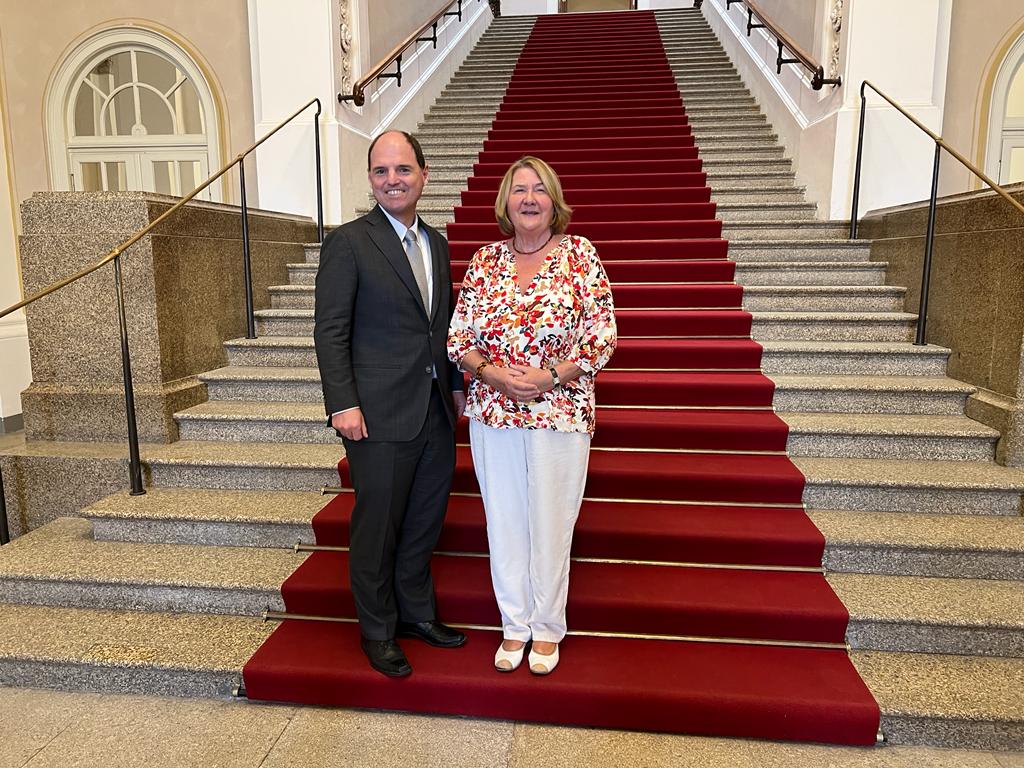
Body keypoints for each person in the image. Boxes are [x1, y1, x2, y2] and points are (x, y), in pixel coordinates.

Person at [447, 156, 616, 675]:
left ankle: (547, 628)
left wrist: (552, 375)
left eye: (539, 190)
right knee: (504, 520)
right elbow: (458, 338)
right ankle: (513, 624)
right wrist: (492, 374)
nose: (528, 198)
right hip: (493, 411)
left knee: (551, 520)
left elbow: (602, 335)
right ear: (505, 201)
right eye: (519, 189)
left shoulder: (580, 255)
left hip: (559, 411)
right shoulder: (484, 260)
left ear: (554, 201)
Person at [314, 130, 467, 678]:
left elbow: (444, 327)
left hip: (433, 409)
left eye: (403, 170)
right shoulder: (349, 243)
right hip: (374, 414)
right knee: (377, 525)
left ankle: (416, 615)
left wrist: (453, 386)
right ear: (371, 180)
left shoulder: (439, 244)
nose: (392, 180)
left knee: (424, 519)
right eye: (381, 171)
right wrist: (343, 404)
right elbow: (330, 331)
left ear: (424, 175)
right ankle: (378, 630)